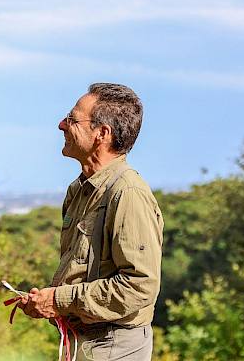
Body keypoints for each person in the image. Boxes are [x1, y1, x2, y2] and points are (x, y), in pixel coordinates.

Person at [20, 83, 163, 360]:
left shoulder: (128, 193)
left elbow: (140, 285)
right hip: (85, 343)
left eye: (72, 119)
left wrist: (58, 300)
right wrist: (48, 302)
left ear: (102, 134)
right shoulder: (79, 189)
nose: (61, 125)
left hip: (114, 345)